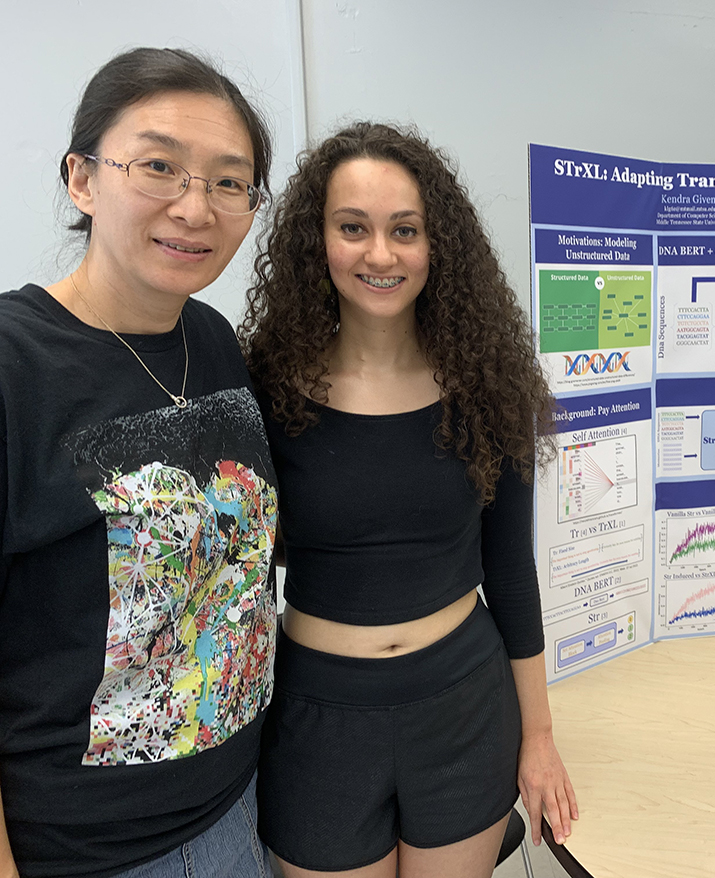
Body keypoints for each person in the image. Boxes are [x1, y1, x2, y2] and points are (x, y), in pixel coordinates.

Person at [240, 122, 578, 877]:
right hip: (318, 720)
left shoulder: (489, 387)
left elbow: (511, 573)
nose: (380, 254)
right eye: (352, 228)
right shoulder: (263, 389)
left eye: (405, 230)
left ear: (437, 245)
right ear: (317, 242)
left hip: (463, 707)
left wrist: (539, 736)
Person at [0, 48, 278, 877]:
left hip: (241, 802)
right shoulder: (15, 365)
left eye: (229, 182)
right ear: (82, 179)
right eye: (159, 167)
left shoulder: (213, 339)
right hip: (90, 851)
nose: (195, 207)